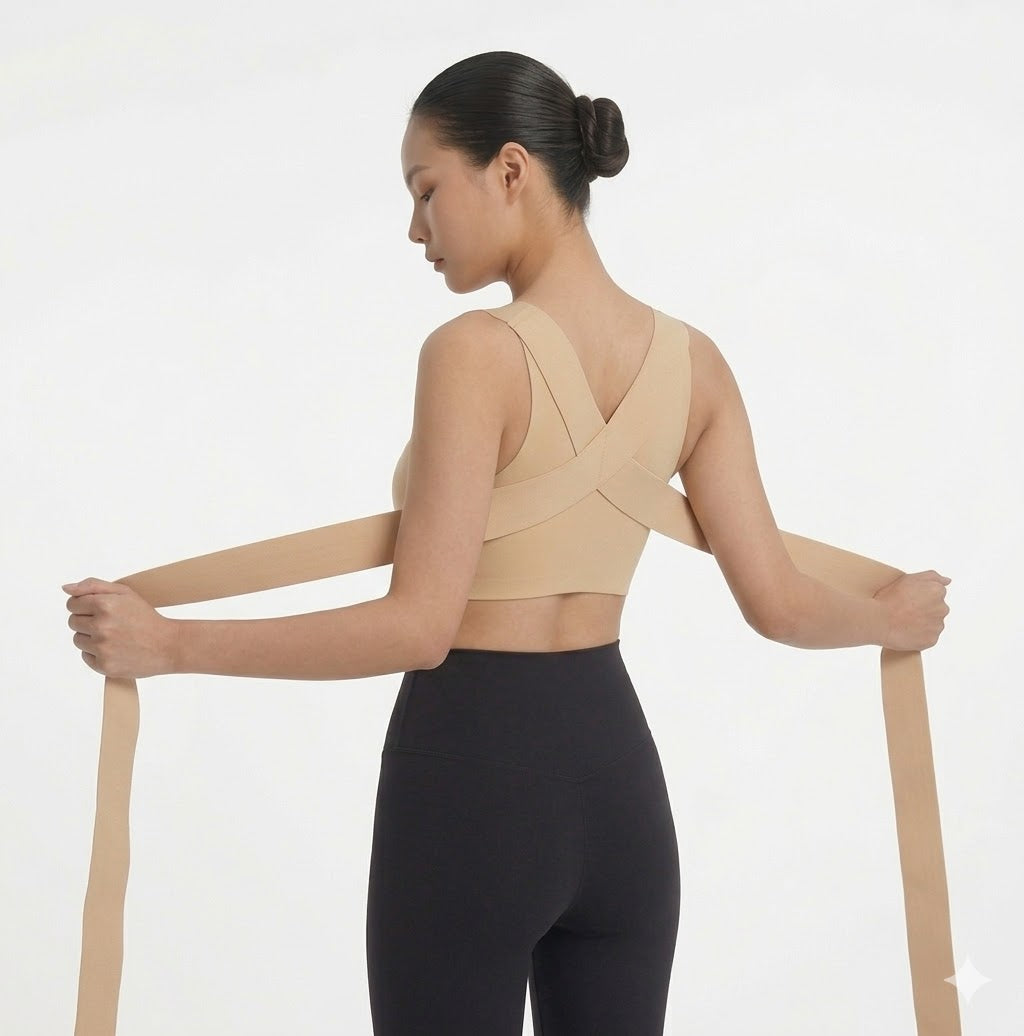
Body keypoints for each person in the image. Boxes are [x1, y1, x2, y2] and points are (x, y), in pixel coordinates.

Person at [63, 49, 952, 1036]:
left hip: (473, 788)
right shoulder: (694, 365)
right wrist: (890, 619)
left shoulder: (475, 353)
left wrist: (170, 644)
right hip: (619, 797)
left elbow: (418, 626)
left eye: (426, 190)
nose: (416, 228)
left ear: (512, 170)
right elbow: (779, 602)